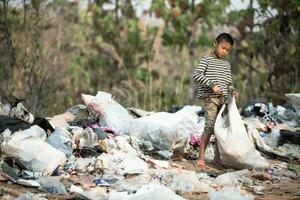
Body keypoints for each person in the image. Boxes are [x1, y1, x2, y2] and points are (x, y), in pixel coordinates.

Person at [193, 32, 237, 168]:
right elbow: (197, 75)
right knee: (210, 126)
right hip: (210, 98)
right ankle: (200, 157)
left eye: (227, 50)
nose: (225, 51)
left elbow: (228, 83)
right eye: (223, 47)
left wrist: (233, 90)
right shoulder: (206, 60)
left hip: (223, 101)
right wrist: (211, 85)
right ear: (215, 44)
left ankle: (217, 158)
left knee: (220, 129)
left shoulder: (226, 65)